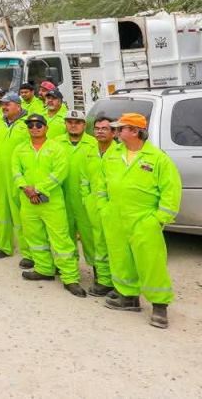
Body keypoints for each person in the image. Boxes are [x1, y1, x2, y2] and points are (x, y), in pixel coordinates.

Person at [100, 113, 181, 329]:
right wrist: (104, 207)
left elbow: (171, 191)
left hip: (144, 219)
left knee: (151, 263)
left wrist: (159, 219)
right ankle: (128, 297)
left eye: (121, 128)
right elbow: (101, 183)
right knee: (121, 259)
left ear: (135, 131)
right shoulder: (112, 154)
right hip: (115, 216)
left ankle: (160, 307)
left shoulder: (158, 158)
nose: (116, 132)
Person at [11, 113, 86, 297]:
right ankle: (44, 269)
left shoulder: (56, 148)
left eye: (38, 125)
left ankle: (70, 278)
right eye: (30, 125)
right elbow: (16, 171)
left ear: (46, 128)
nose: (34, 128)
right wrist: (25, 188)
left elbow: (60, 172)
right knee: (35, 237)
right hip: (28, 201)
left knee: (61, 239)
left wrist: (38, 189)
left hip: (51, 202)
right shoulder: (20, 149)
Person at [0, 93, 32, 265]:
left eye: (8, 104)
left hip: (18, 175)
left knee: (21, 214)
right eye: (2, 104)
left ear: (18, 106)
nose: (4, 107)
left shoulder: (27, 124)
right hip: (0, 174)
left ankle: (28, 253)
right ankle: (4, 246)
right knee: (1, 211)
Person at [58, 110, 98, 273]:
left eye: (77, 122)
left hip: (85, 199)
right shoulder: (55, 143)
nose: (73, 125)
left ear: (84, 125)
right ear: (65, 124)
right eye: (69, 122)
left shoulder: (94, 144)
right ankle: (68, 268)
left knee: (90, 235)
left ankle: (98, 269)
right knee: (65, 235)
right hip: (63, 197)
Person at [81, 116, 117, 297]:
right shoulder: (90, 152)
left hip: (113, 207)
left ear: (114, 132)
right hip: (94, 204)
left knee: (115, 245)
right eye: (97, 128)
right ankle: (104, 281)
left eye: (105, 128)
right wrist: (86, 198)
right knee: (99, 243)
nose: (100, 131)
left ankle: (118, 283)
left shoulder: (120, 153)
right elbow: (84, 178)